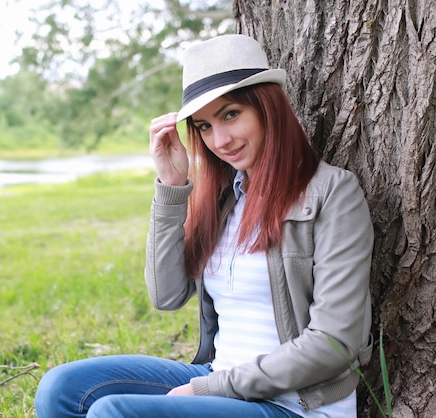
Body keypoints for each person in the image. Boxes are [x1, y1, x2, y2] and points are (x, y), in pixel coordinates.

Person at [34, 34, 374, 418]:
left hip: (297, 406)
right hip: (219, 381)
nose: (221, 140)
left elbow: (333, 343)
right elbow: (166, 295)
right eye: (204, 126)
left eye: (231, 114)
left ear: (268, 108)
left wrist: (211, 389)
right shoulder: (225, 199)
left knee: (114, 412)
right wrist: (172, 188)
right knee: (60, 389)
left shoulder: (332, 192)